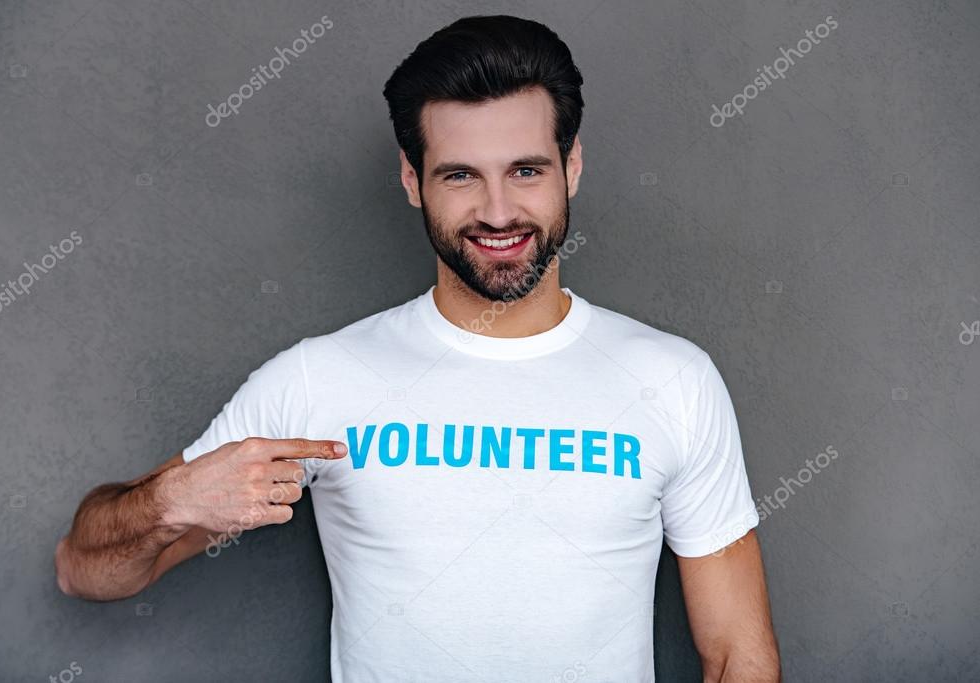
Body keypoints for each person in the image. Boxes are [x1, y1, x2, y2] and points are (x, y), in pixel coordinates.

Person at [55, 14, 780, 682]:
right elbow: (81, 569)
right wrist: (171, 502)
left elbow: (737, 653)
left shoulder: (673, 379)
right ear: (412, 180)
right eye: (459, 175)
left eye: (525, 170)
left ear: (572, 167)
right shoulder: (321, 378)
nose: (497, 211)